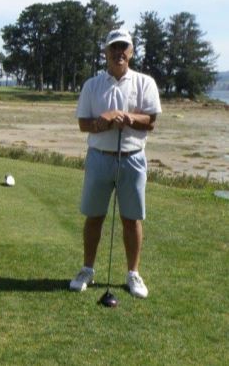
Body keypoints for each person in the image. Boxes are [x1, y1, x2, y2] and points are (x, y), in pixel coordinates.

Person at [69, 29, 161, 298]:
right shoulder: (92, 85)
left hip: (132, 158)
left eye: (124, 47)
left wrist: (128, 118)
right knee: (94, 216)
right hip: (100, 158)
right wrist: (104, 120)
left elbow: (151, 121)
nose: (119, 52)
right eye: (114, 47)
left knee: (131, 219)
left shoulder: (144, 83)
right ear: (106, 52)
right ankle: (87, 269)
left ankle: (133, 273)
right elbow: (83, 124)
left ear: (131, 52)